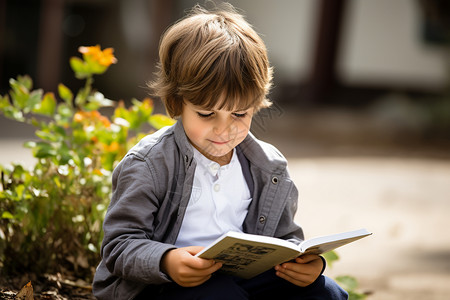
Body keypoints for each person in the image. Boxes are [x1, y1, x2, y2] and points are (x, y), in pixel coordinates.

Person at [92, 3, 348, 300]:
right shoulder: (150, 164)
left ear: (256, 105)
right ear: (177, 104)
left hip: (240, 280)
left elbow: (285, 239)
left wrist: (306, 264)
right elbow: (119, 245)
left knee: (327, 293)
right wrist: (167, 260)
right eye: (206, 114)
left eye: (239, 114)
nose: (223, 129)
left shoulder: (269, 167)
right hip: (161, 287)